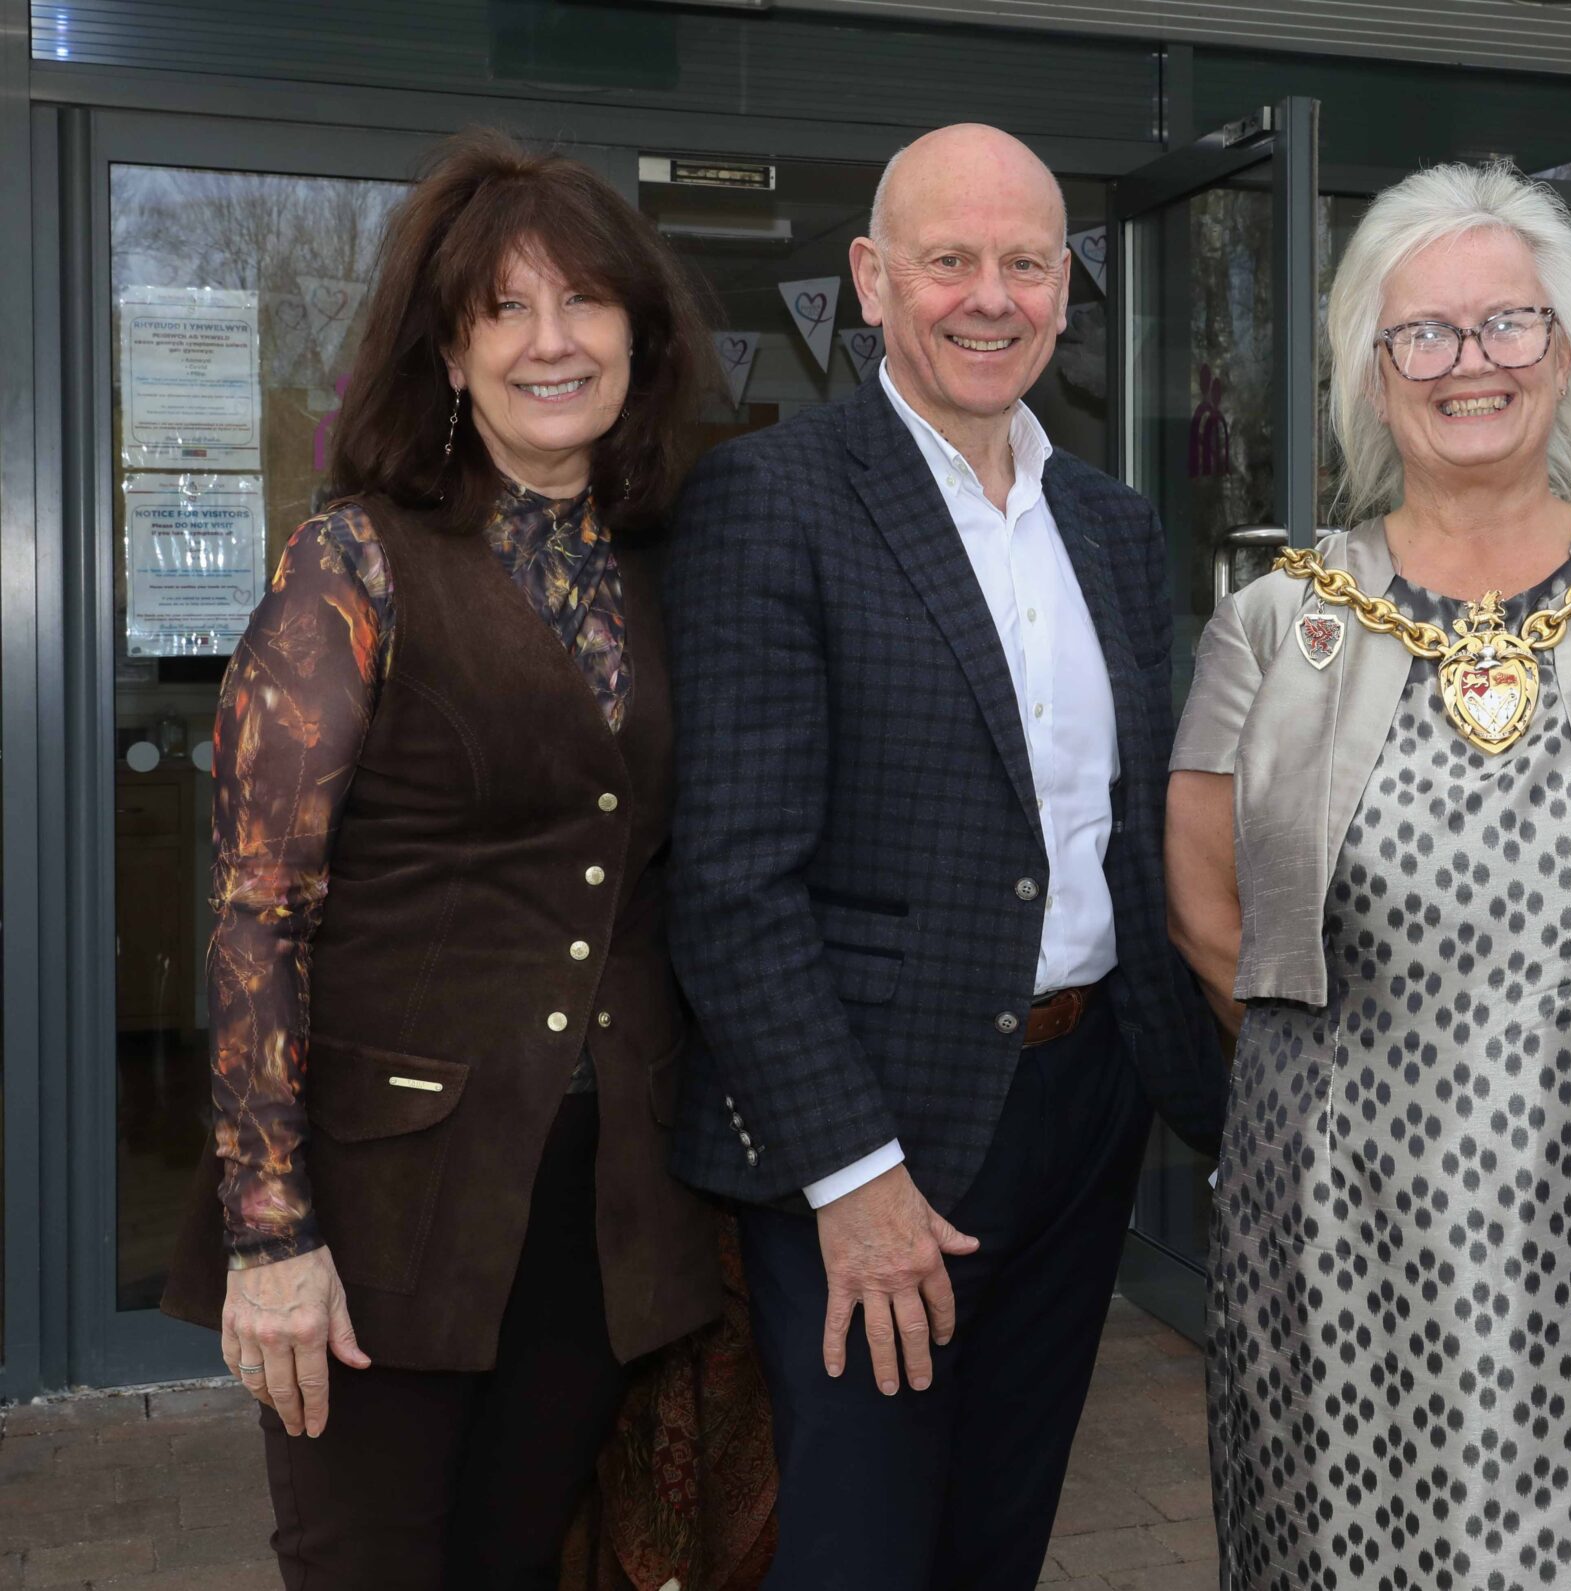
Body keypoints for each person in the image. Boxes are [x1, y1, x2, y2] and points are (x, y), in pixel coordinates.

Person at [1166, 161, 1571, 1590]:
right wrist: (1363, 1093)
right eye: (1426, 333)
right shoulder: (1276, 626)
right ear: (1370, 370)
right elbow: (1206, 912)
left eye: (1508, 324)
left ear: (1567, 350)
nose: (1472, 363)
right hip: (1345, 1245)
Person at [661, 122, 1225, 1591]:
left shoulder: (1109, 520)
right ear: (871, 280)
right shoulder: (772, 499)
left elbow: (1131, 826)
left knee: (999, 1534)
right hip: (875, 1129)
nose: (991, 297)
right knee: (859, 1551)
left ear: (1065, 285)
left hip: (1085, 1104)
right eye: (950, 261)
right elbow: (731, 883)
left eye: (1026, 263)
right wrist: (852, 1177)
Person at [160, 129, 725, 1588]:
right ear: (449, 354)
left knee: (517, 1560)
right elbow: (254, 916)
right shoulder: (353, 562)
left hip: (599, 1203)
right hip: (385, 1209)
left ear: (636, 336)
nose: (553, 341)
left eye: (586, 302)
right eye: (506, 310)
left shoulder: (669, 562)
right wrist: (268, 1237)